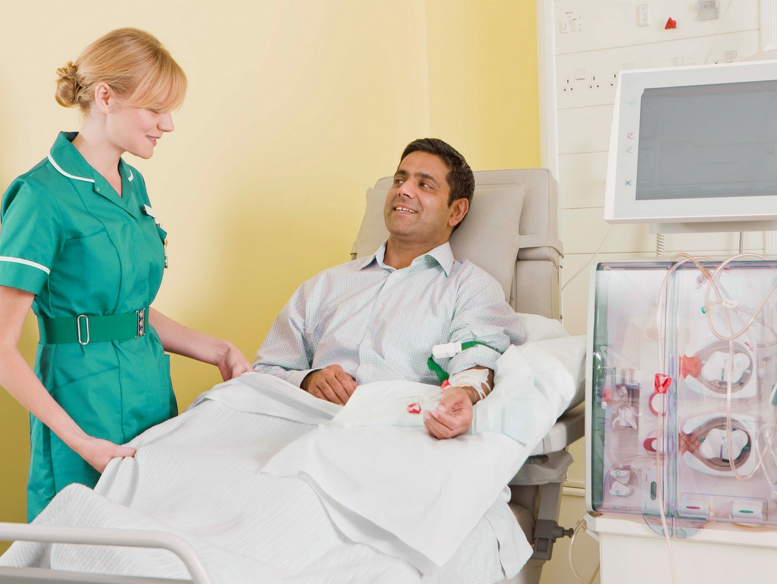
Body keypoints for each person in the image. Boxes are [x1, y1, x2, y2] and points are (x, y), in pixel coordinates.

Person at [0, 28, 252, 522]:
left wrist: (217, 350)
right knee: (87, 566)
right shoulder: (40, 197)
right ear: (105, 97)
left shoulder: (133, 183)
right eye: (156, 109)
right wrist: (78, 441)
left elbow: (125, 311)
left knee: (159, 552)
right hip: (82, 406)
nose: (169, 124)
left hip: (151, 395)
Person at [254, 138, 524, 439]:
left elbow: (478, 359)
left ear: (456, 211)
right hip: (299, 426)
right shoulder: (324, 285)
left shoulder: (470, 287)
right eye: (400, 179)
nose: (403, 190)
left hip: (394, 434)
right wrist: (308, 380)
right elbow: (264, 372)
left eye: (424, 185)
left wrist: (463, 393)